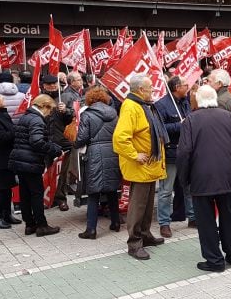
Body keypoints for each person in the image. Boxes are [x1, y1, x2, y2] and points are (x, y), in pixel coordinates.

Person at [177, 85, 231, 272]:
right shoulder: (229, 117)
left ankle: (215, 260)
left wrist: (183, 179)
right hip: (226, 175)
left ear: (198, 100)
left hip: (201, 177)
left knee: (206, 220)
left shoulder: (191, 120)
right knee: (229, 216)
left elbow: (184, 152)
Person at [113, 74, 168, 260]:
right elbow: (120, 138)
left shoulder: (143, 105)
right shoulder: (131, 107)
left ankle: (145, 235)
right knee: (138, 206)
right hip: (141, 166)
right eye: (150, 88)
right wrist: (134, 155)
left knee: (147, 204)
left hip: (150, 166)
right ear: (141, 90)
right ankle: (134, 242)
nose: (153, 90)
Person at [8, 94, 63, 237]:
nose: (50, 113)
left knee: (25, 194)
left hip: (20, 160)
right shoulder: (37, 120)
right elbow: (37, 141)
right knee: (36, 194)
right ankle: (42, 225)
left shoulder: (25, 116)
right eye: (50, 110)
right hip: (30, 161)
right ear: (44, 106)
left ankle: (29, 224)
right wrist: (54, 149)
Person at [73, 86, 122, 239]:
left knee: (94, 192)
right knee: (112, 190)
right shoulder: (114, 113)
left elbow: (82, 138)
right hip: (113, 152)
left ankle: (91, 229)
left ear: (90, 100)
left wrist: (75, 144)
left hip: (95, 153)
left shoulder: (87, 115)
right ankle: (115, 222)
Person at [154, 76, 194, 238]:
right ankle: (164, 223)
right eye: (185, 85)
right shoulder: (161, 105)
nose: (188, 87)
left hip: (185, 152)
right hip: (170, 153)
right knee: (166, 190)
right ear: (177, 87)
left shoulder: (185, 101)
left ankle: (193, 217)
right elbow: (160, 128)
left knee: (189, 188)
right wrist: (180, 125)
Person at [0, 87, 21, 229]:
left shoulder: (2, 113)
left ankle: (7, 213)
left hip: (8, 156)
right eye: (0, 97)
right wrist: (15, 131)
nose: (3, 99)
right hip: (0, 157)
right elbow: (1, 137)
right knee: (2, 189)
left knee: (8, 187)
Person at [40, 74, 74, 211]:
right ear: (44, 86)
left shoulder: (66, 97)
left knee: (62, 173)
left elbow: (75, 115)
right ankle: (50, 197)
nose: (53, 86)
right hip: (46, 141)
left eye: (55, 84)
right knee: (49, 171)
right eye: (49, 84)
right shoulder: (40, 99)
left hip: (63, 142)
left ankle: (61, 199)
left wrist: (66, 110)